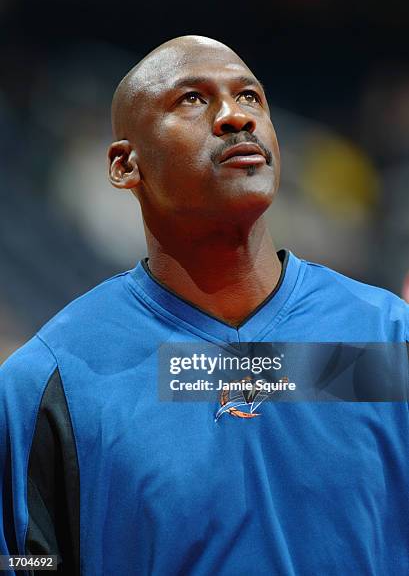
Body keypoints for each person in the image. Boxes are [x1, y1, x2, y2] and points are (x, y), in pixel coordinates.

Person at [1, 35, 408, 576]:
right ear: (126, 165)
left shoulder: (385, 339)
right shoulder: (51, 381)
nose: (235, 117)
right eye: (191, 99)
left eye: (250, 98)